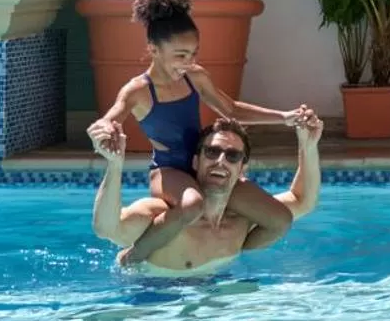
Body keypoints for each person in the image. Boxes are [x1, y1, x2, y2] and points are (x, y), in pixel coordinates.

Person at [89, 0, 311, 268]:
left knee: (280, 217)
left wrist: (284, 117)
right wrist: (104, 128)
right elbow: (113, 115)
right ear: (154, 49)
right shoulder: (139, 90)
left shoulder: (195, 77)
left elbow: (231, 108)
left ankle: (225, 253)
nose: (188, 62)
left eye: (193, 53)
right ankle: (132, 257)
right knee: (192, 205)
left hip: (203, 163)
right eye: (180, 55)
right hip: (169, 170)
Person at [89, 112, 322, 273]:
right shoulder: (165, 217)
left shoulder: (242, 222)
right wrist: (115, 164)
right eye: (212, 152)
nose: (220, 161)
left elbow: (303, 201)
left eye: (232, 156)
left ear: (242, 169)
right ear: (195, 161)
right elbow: (106, 228)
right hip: (152, 300)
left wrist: (308, 145)